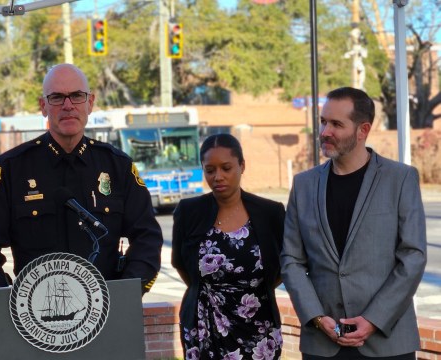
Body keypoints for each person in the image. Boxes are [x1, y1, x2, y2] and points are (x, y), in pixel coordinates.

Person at [0, 63, 162, 293]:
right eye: (57, 97)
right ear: (43, 106)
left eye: (77, 96)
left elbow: (147, 239)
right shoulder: (11, 169)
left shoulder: (117, 166)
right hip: (34, 317)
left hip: (107, 311)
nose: (68, 105)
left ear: (90, 103)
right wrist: (7, 302)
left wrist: (126, 293)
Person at [281, 87, 427, 359]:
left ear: (363, 130)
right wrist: (315, 316)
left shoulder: (401, 178)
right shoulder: (303, 185)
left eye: (336, 124)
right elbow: (291, 259)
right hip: (322, 341)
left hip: (388, 341)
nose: (325, 131)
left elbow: (413, 256)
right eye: (323, 121)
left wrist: (374, 318)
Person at [171, 134, 285, 359]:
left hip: (258, 324)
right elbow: (182, 265)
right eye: (210, 170)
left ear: (242, 166)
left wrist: (250, 291)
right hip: (203, 325)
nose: (218, 177)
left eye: (226, 168)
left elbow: (283, 266)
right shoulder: (188, 211)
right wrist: (212, 293)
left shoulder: (270, 212)